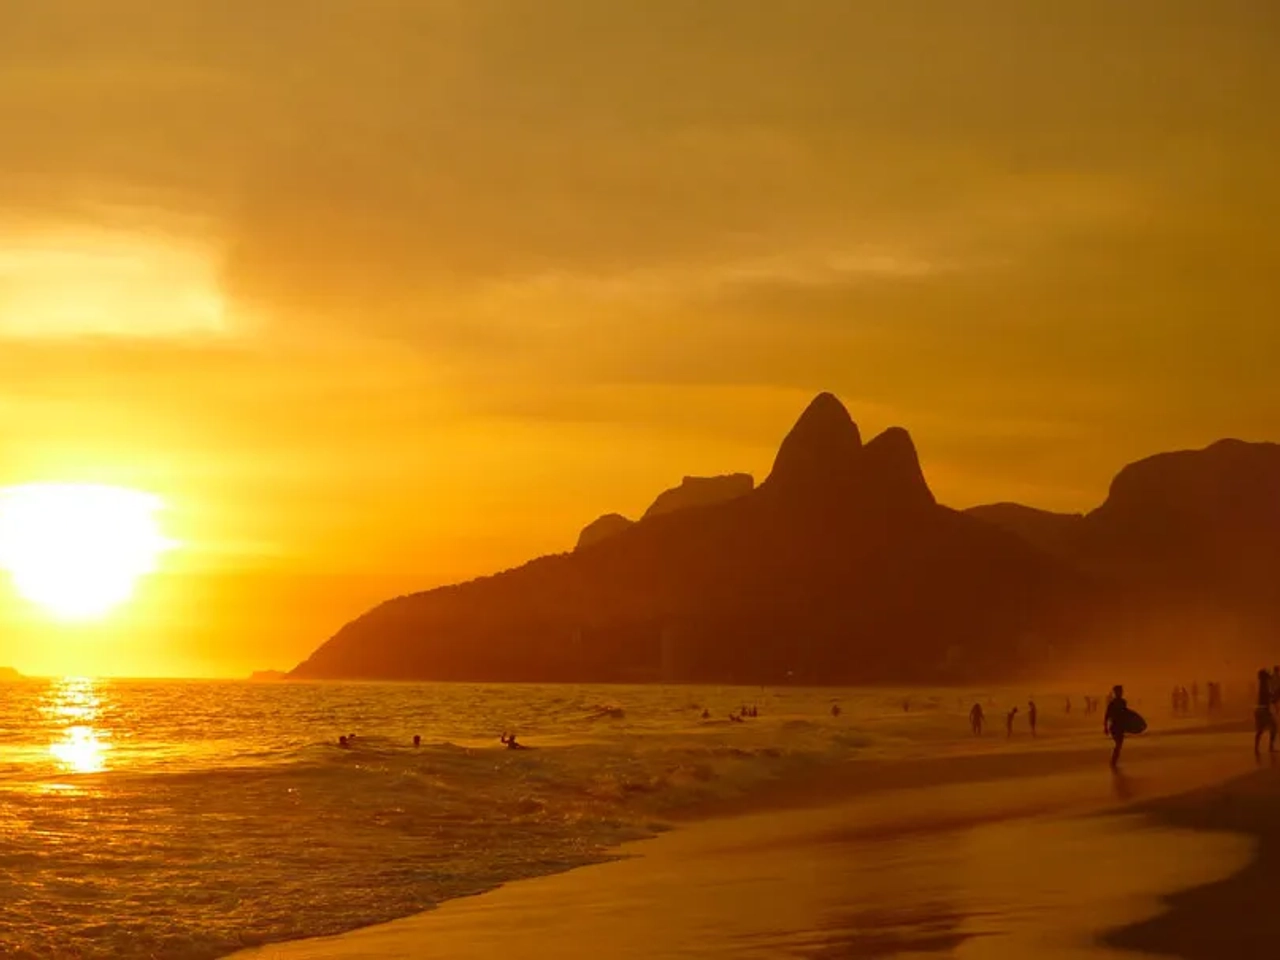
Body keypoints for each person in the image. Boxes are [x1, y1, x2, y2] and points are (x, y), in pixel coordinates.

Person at [1104, 684, 1128, 770]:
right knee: (1118, 744)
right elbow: (1107, 715)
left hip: (1121, 726)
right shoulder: (1112, 703)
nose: (1120, 693)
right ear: (1115, 692)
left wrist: (1127, 726)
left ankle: (1114, 762)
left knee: (1119, 745)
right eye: (1119, 691)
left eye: (1121, 691)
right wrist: (1105, 727)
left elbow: (1125, 714)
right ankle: (1113, 762)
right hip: (1114, 726)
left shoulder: (1123, 702)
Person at [1254, 669, 1277, 757]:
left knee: (1260, 731)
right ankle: (1270, 747)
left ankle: (1256, 748)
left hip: (1260, 710)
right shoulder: (1264, 686)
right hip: (1264, 711)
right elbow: (1270, 697)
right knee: (1274, 727)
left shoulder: (1262, 685)